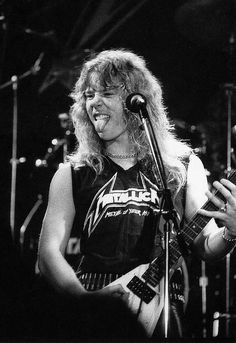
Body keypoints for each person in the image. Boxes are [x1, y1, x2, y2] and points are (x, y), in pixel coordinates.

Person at [38, 48, 236, 340]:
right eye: (89, 95)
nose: (94, 103)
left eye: (106, 93)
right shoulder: (73, 173)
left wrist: (231, 232)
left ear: (136, 100)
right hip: (96, 294)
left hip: (162, 299)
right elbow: (48, 254)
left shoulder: (181, 166)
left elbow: (205, 246)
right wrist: (85, 300)